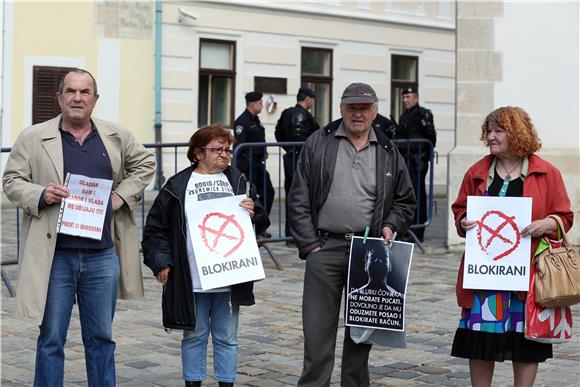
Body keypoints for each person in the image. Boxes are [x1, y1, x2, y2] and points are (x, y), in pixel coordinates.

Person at [2, 69, 156, 387]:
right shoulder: (33, 137)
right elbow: (11, 181)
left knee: (101, 338)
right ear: (59, 97)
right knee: (51, 339)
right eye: (70, 91)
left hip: (101, 255)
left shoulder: (115, 135)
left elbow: (146, 164)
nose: (77, 98)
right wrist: (40, 194)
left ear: (95, 99)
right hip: (55, 255)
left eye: (85, 92)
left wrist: (120, 196)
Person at [288, 82, 416, 387]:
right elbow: (298, 198)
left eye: (365, 108)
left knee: (362, 332)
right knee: (317, 331)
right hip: (325, 246)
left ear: (375, 111)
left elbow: (405, 200)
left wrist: (391, 224)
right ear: (341, 108)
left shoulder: (387, 148)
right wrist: (310, 244)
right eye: (352, 107)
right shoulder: (319, 142)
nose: (358, 113)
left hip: (368, 249)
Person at [450, 106, 573, 387]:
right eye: (489, 131)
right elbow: (460, 208)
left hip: (527, 274)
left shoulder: (546, 173)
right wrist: (464, 219)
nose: (491, 137)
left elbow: (564, 217)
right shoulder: (478, 171)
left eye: (498, 131)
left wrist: (546, 224)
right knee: (480, 340)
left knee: (525, 339)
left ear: (516, 133)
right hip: (485, 275)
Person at [142, 125, 269, 387]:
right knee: (194, 335)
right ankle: (193, 382)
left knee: (227, 337)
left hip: (230, 276)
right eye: (217, 149)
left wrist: (254, 210)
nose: (224, 155)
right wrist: (161, 262)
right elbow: (156, 228)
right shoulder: (177, 185)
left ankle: (226, 382)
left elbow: (261, 217)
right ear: (198, 153)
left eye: (227, 150)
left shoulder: (238, 181)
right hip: (193, 278)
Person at [275, 86, 319, 241]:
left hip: (292, 157)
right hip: (300, 159)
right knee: (301, 197)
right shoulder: (301, 114)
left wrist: (287, 148)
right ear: (308, 99)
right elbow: (300, 137)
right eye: (313, 99)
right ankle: (296, 235)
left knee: (292, 196)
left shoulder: (287, 113)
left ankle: (290, 233)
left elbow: (278, 133)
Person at [397, 86, 436, 242]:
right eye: (404, 97)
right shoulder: (404, 116)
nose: (406, 100)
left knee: (417, 196)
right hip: (405, 160)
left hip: (416, 161)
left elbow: (431, 137)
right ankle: (407, 229)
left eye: (409, 97)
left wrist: (424, 156)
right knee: (404, 195)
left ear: (416, 98)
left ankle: (417, 231)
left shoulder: (423, 114)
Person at [233, 91, 274, 237]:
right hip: (248, 165)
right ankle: (250, 228)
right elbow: (239, 147)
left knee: (268, 192)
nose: (262, 105)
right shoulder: (242, 122)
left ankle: (261, 226)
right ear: (252, 104)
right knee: (249, 197)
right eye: (260, 103)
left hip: (258, 163)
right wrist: (241, 170)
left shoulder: (256, 120)